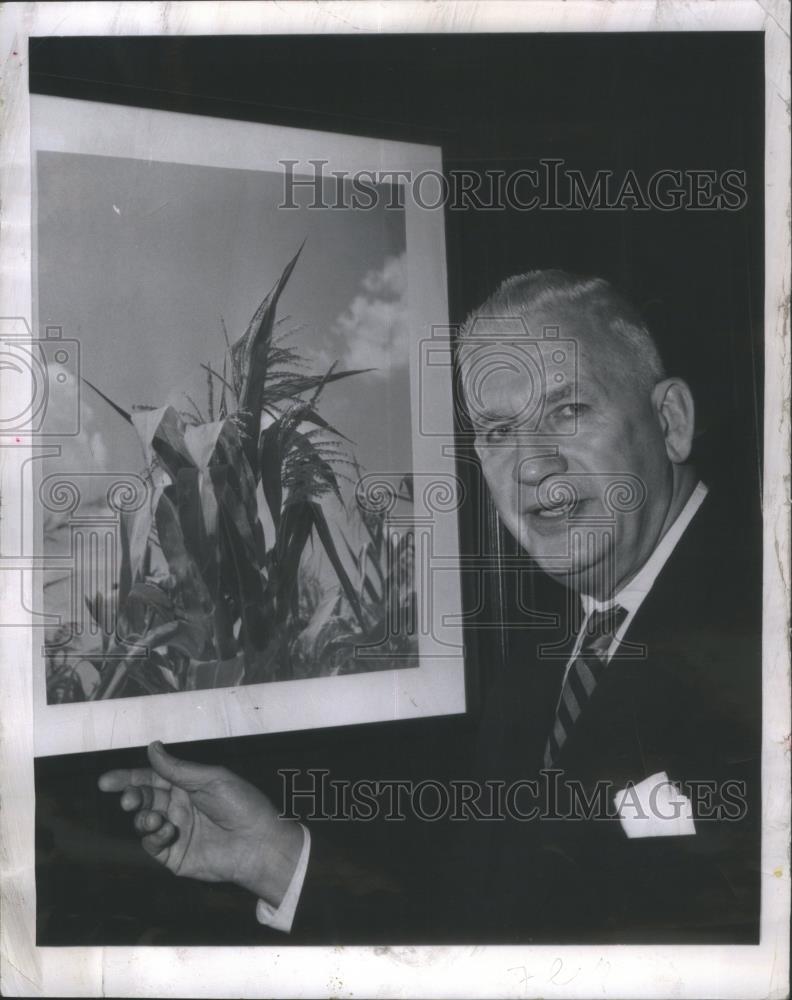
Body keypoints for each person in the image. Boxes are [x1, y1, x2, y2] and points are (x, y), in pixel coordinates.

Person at [99, 271, 761, 943]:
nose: (530, 465)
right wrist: (272, 858)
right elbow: (491, 927)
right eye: (498, 433)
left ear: (672, 422)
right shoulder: (542, 662)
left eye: (569, 411)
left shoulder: (763, 640)